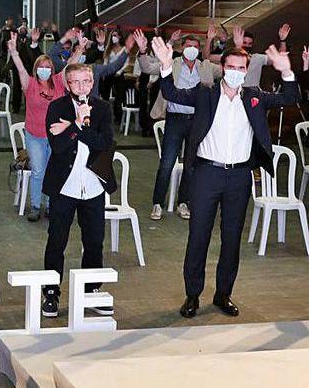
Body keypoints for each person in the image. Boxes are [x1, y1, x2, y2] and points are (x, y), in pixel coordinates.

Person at [150, 37, 298, 319]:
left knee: (231, 238)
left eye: (241, 68)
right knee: (198, 236)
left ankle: (223, 294)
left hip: (240, 176)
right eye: (230, 66)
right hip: (207, 173)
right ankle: (192, 295)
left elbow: (289, 98)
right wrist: (167, 66)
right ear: (223, 67)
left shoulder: (254, 97)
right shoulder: (205, 94)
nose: (235, 71)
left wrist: (286, 71)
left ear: (246, 70)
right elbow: (172, 93)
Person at [40, 63, 117, 319]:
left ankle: (91, 290)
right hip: (64, 186)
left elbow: (105, 144)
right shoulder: (57, 107)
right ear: (67, 84)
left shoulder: (103, 108)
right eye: (75, 82)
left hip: (93, 185)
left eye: (86, 81)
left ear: (92, 82)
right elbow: (59, 146)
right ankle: (51, 292)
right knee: (56, 241)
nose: (81, 86)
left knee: (94, 241)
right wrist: (77, 122)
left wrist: (75, 128)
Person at [137, 31, 220, 221]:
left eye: (195, 47)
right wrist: (142, 51)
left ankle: (183, 202)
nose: (191, 49)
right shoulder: (171, 63)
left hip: (197, 120)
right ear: (182, 48)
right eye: (188, 45)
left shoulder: (206, 67)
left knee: (191, 165)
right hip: (175, 119)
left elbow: (229, 72)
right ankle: (158, 203)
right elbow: (147, 68)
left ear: (199, 50)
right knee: (167, 163)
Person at [7, 30, 70, 222]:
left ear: (52, 69)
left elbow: (71, 66)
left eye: (48, 66)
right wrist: (14, 52)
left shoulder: (59, 82)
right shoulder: (30, 84)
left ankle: (50, 205)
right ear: (36, 69)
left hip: (56, 135)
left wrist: (79, 47)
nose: (45, 69)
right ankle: (35, 206)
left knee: (53, 171)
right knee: (37, 171)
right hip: (35, 135)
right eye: (41, 66)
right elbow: (19, 69)